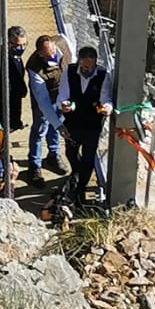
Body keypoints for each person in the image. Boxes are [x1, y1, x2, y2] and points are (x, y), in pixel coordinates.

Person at [58, 46, 112, 204]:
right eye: (84, 66)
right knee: (71, 152)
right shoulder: (69, 71)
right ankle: (76, 174)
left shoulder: (103, 75)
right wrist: (63, 104)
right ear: (79, 62)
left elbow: (106, 97)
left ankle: (80, 186)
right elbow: (63, 93)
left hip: (92, 124)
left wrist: (107, 107)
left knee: (88, 156)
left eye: (91, 66)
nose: (87, 69)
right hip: (73, 121)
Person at [25, 35, 68, 186]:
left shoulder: (62, 47)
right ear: (40, 53)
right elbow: (43, 102)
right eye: (48, 54)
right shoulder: (34, 68)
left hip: (61, 95)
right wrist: (59, 125)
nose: (52, 55)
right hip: (45, 96)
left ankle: (53, 155)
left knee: (57, 122)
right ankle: (34, 166)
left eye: (53, 51)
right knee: (40, 127)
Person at [1, 26, 28, 134]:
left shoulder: (16, 57)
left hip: (15, 96)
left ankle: (15, 123)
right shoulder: (2, 58)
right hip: (5, 99)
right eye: (16, 45)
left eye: (23, 45)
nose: (20, 48)